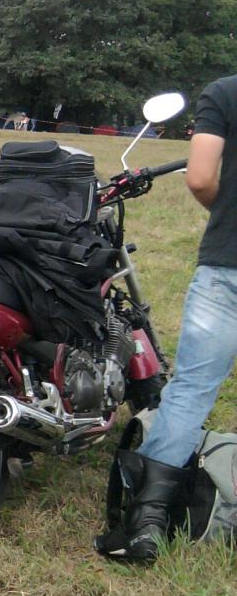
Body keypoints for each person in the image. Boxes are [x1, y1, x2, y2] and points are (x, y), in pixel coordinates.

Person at [97, 73, 237, 562]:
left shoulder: (224, 91)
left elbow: (198, 177)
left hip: (228, 261)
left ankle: (146, 526)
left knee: (192, 387)